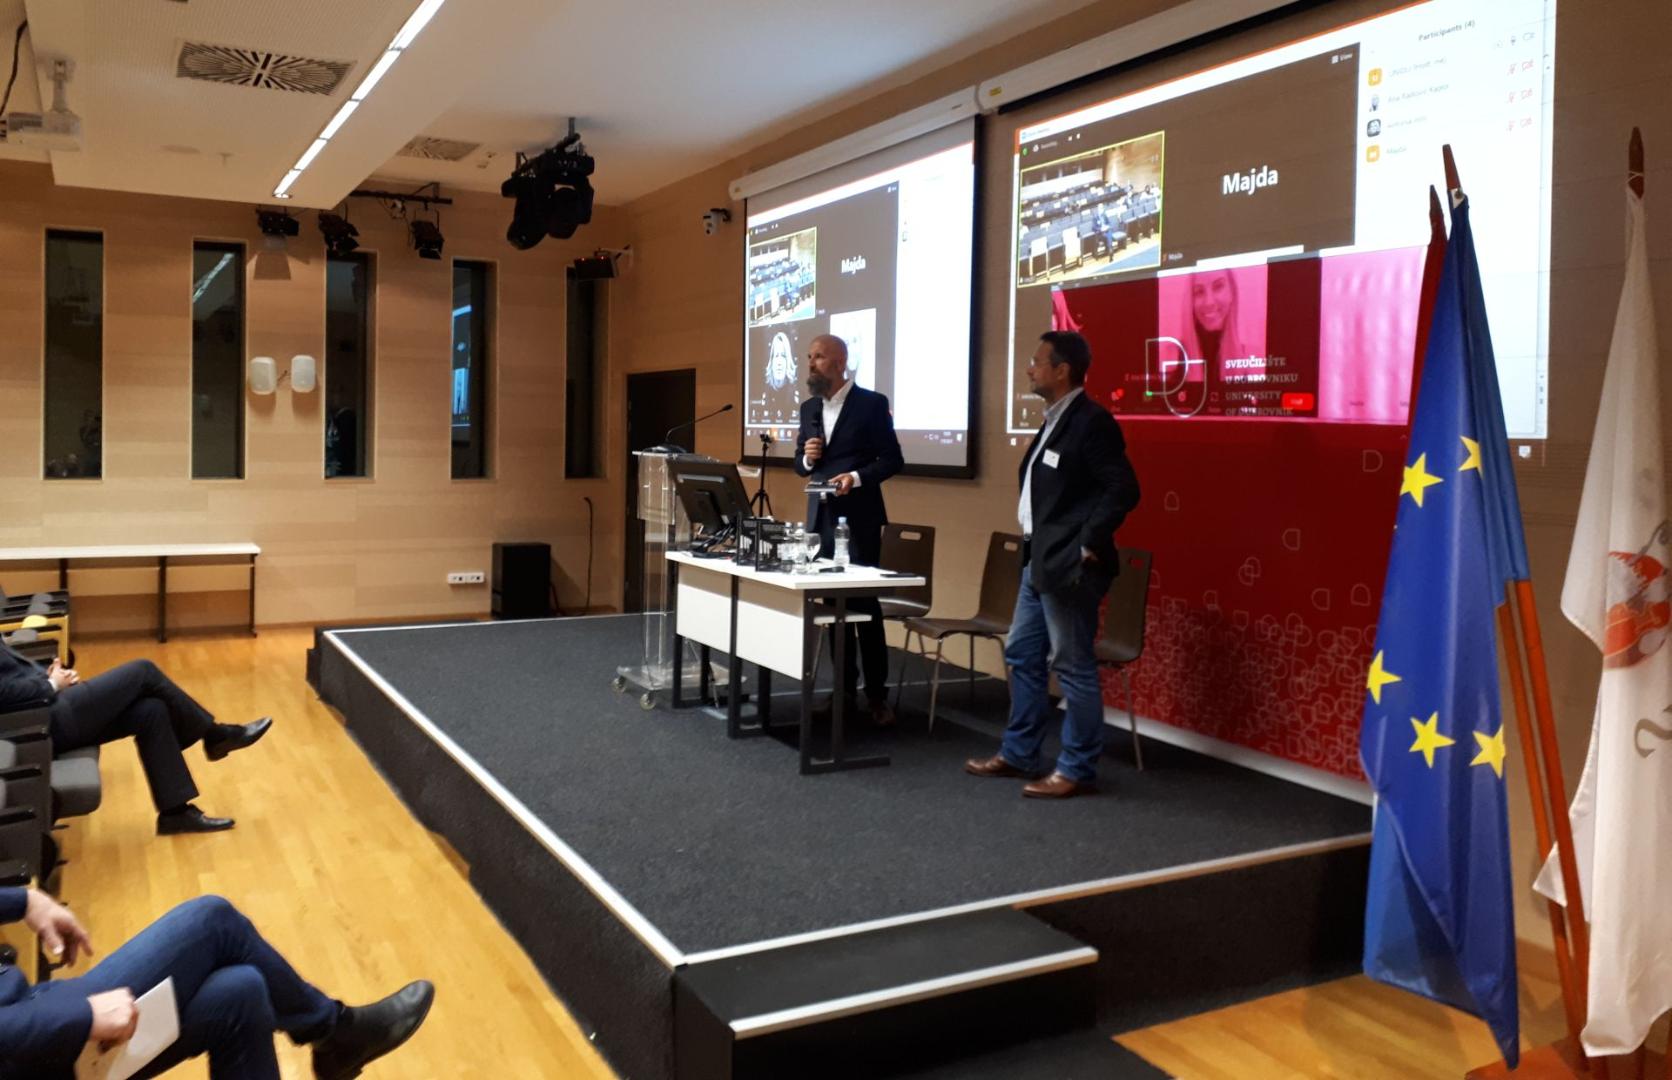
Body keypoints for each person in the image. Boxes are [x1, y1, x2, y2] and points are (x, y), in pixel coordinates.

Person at [0, 886, 433, 1079]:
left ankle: (335, 1037)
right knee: (212, 920)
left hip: (29, 1016)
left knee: (241, 991)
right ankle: (334, 1033)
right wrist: (80, 1017)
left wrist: (25, 900)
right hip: (27, 1048)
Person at [966, 330, 1140, 798]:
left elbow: (1123, 488)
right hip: (1038, 561)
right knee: (1022, 654)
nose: (1029, 368)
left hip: (1068, 565)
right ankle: (1019, 753)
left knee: (1072, 664)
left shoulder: (1091, 422)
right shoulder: (1054, 420)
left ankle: (1077, 768)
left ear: (1062, 370)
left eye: (1037, 361)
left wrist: (1087, 543)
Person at [0, 640, 270, 834]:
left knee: (151, 711)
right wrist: (51, 685)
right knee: (143, 670)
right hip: (42, 720)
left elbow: (12, 672)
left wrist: (48, 676)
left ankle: (175, 812)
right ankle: (215, 734)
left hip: (49, 708)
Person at [793, 333, 905, 726]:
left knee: (864, 607)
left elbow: (892, 460)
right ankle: (842, 691)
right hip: (820, 521)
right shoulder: (809, 407)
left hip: (858, 521)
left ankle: (876, 696)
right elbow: (799, 464)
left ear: (840, 362)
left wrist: (855, 478)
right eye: (809, 356)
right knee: (833, 609)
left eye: (819, 356)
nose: (811, 363)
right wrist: (808, 460)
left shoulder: (871, 404)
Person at [1179, 268, 1248, 374]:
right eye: (1199, 292)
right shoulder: (1176, 356)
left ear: (1232, 292)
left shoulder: (1248, 357)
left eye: (1218, 286)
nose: (1209, 302)